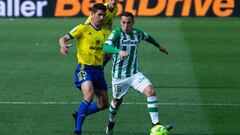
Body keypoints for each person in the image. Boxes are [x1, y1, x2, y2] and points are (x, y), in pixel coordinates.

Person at [58, 3, 127, 135]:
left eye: (103, 15)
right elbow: (63, 38)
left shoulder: (106, 33)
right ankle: (77, 130)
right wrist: (63, 46)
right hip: (84, 68)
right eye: (99, 15)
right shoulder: (82, 28)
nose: (101, 17)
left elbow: (109, 50)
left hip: (98, 71)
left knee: (104, 103)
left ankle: (79, 114)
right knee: (89, 95)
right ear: (92, 15)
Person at [102, 12, 172, 135]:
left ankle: (156, 124)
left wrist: (159, 46)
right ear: (120, 22)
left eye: (128, 22)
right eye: (123, 22)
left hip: (135, 74)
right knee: (117, 102)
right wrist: (118, 51)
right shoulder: (117, 33)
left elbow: (148, 37)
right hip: (119, 77)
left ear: (133, 23)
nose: (126, 25)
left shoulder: (137, 33)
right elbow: (106, 47)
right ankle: (110, 122)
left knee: (151, 91)